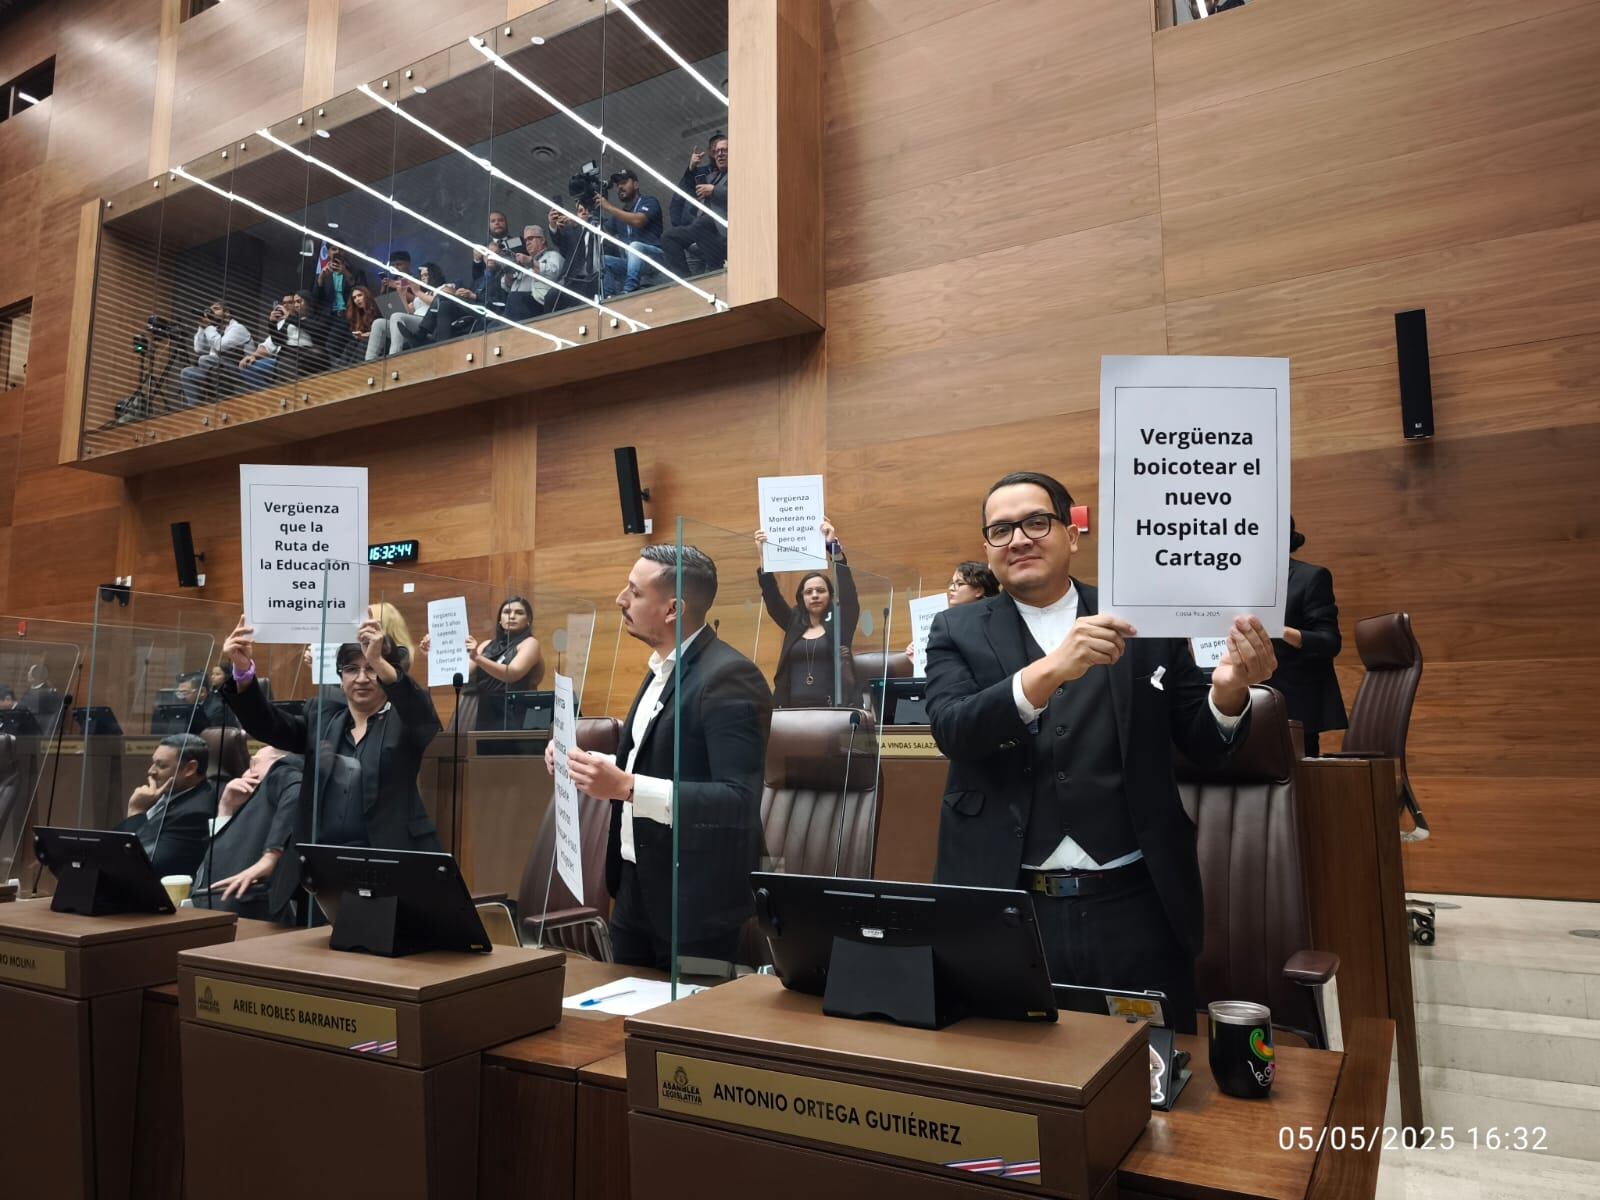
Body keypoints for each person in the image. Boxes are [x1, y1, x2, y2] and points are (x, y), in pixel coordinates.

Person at [923, 471, 1278, 1032]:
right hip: (1008, 908)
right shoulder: (955, 629)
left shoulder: (1142, 618)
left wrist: (1230, 689)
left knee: (1157, 1075)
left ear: (1072, 534)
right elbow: (952, 729)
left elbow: (1204, 744)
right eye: (1000, 530)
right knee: (1017, 1071)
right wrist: (1047, 673)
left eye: (1036, 522)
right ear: (988, 548)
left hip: (1136, 902)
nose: (1018, 539)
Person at [545, 544, 772, 969]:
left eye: (634, 592)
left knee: (680, 1031)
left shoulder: (729, 676)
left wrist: (626, 787)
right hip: (635, 887)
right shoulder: (661, 668)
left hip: (695, 901)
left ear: (672, 609)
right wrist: (583, 760)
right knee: (620, 1025)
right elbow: (658, 756)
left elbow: (739, 800)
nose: (620, 599)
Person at [219, 613, 442, 852]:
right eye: (351, 669)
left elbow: (423, 716)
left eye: (371, 669)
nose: (362, 678)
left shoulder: (406, 720)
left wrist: (378, 659)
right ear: (340, 676)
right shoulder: (322, 718)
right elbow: (267, 725)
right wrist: (243, 673)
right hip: (325, 857)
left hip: (391, 854)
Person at [754, 519, 860, 707]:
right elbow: (772, 600)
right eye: (809, 592)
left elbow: (849, 596)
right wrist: (764, 558)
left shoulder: (840, 623)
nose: (815, 595)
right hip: (791, 712)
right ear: (801, 597)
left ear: (830, 595)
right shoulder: (794, 622)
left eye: (821, 590)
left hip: (833, 711)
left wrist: (833, 548)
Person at [1265, 519, 1347, 757]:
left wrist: (1280, 630)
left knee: (1295, 789)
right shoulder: (1236, 580)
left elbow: (1329, 641)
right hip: (1241, 701)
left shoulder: (1310, 577)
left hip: (1292, 706)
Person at [424, 595, 544, 732]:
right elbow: (461, 673)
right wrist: (433, 654)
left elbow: (512, 673)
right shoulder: (487, 644)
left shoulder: (530, 643)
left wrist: (478, 658)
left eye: (519, 613)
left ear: (528, 620)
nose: (512, 616)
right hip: (483, 710)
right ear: (500, 619)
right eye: (507, 612)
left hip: (514, 711)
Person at [115, 733, 215, 878]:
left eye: (161, 765)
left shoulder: (196, 813)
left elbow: (143, 865)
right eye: (153, 763)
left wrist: (136, 812)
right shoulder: (163, 797)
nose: (151, 771)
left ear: (190, 769)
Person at [662, 134, 728, 277]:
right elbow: (686, 189)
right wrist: (691, 168)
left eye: (724, 151)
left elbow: (742, 193)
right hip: (701, 228)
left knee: (702, 224)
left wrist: (714, 190)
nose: (720, 155)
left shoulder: (740, 172)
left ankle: (715, 272)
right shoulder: (711, 176)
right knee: (669, 236)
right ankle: (686, 282)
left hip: (723, 229)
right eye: (717, 152)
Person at [906, 562, 1000, 659]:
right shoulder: (947, 622)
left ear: (979, 590)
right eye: (952, 583)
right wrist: (921, 658)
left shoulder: (996, 622)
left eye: (959, 584)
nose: (951, 588)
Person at [595, 170, 664, 296]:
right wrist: (590, 217)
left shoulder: (649, 201)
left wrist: (609, 207)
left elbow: (638, 220)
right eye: (617, 185)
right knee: (603, 260)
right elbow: (605, 234)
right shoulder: (620, 215)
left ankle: (629, 290)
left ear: (636, 185)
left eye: (624, 182)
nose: (620, 187)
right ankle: (608, 297)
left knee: (634, 246)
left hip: (654, 259)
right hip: (631, 264)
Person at [239, 292, 322, 389]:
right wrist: (272, 323)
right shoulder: (286, 322)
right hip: (284, 358)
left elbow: (316, 330)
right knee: (248, 367)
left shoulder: (314, 319)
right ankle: (268, 395)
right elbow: (277, 341)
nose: (290, 305)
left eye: (292, 302)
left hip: (303, 358)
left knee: (287, 365)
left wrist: (289, 317)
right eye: (292, 302)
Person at [179, 302, 252, 407]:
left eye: (216, 309)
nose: (211, 311)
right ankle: (194, 409)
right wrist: (202, 327)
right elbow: (198, 349)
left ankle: (222, 398)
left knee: (205, 360)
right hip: (216, 371)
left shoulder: (238, 328)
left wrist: (208, 327)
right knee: (186, 372)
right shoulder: (215, 330)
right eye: (210, 309)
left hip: (239, 372)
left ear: (227, 313)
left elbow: (219, 345)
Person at [502, 225, 564, 321]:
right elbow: (507, 288)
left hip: (542, 305)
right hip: (519, 308)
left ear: (542, 240)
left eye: (530, 238)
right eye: (526, 240)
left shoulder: (552, 255)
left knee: (515, 298)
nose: (527, 243)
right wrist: (508, 273)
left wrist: (531, 263)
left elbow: (554, 273)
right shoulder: (524, 265)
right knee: (491, 324)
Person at [471, 213, 522, 310]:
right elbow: (478, 279)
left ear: (506, 223)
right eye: (493, 221)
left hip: (511, 288)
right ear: (489, 226)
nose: (497, 223)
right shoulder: (483, 247)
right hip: (488, 295)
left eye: (500, 220)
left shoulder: (517, 241)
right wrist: (477, 260)